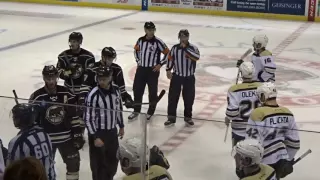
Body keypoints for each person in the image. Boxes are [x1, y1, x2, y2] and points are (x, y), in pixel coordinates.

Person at [29, 65, 83, 180]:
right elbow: (33, 120)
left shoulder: (66, 93)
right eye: (48, 79)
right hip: (46, 140)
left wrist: (77, 133)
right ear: (44, 78)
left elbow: (74, 115)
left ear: (57, 77)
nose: (51, 81)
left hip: (66, 138)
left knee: (73, 164)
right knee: (44, 168)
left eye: (53, 78)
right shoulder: (37, 96)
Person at [245, 82, 300, 179]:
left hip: (263, 164)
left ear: (263, 96)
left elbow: (251, 146)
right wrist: (288, 160)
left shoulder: (258, 113)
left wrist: (249, 166)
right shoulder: (287, 113)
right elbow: (294, 143)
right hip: (281, 160)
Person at [84, 66, 125, 180]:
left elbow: (118, 109)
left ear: (110, 78)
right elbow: (88, 118)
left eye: (104, 79)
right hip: (98, 133)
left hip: (112, 132)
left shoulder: (116, 90)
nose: (102, 81)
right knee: (98, 165)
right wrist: (95, 137)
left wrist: (121, 126)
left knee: (113, 161)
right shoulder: (93, 95)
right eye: (100, 78)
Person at [129, 21, 169, 121]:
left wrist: (160, 64)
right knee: (137, 89)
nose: (151, 32)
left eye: (153, 30)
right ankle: (136, 110)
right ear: (145, 30)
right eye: (149, 30)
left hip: (152, 71)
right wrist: (138, 61)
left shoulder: (158, 42)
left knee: (152, 91)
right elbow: (136, 51)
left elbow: (168, 53)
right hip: (141, 69)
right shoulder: (140, 40)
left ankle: (151, 111)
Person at [57, 31, 95, 134]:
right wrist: (69, 72)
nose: (72, 43)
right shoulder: (63, 56)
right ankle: (72, 131)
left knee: (83, 112)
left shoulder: (88, 57)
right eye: (71, 41)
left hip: (83, 90)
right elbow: (59, 72)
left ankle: (81, 132)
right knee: (70, 111)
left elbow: (90, 75)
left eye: (75, 41)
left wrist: (84, 90)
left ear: (80, 42)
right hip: (69, 89)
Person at [6, 104, 55, 180]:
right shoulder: (44, 134)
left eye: (15, 116)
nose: (13, 118)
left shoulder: (17, 142)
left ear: (21, 119)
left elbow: (11, 171)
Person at [165, 29, 200, 127]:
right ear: (179, 37)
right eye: (181, 37)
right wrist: (168, 70)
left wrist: (186, 49)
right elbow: (170, 58)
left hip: (189, 77)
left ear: (188, 37)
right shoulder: (175, 48)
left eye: (185, 37)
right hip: (177, 76)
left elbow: (196, 57)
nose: (183, 39)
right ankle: (171, 118)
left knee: (189, 98)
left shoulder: (193, 48)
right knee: (172, 97)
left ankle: (188, 117)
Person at [225, 62, 261, 146]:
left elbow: (232, 113)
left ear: (241, 73)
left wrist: (227, 117)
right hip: (258, 131)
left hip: (239, 132)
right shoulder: (262, 87)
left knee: (239, 157)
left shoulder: (234, 90)